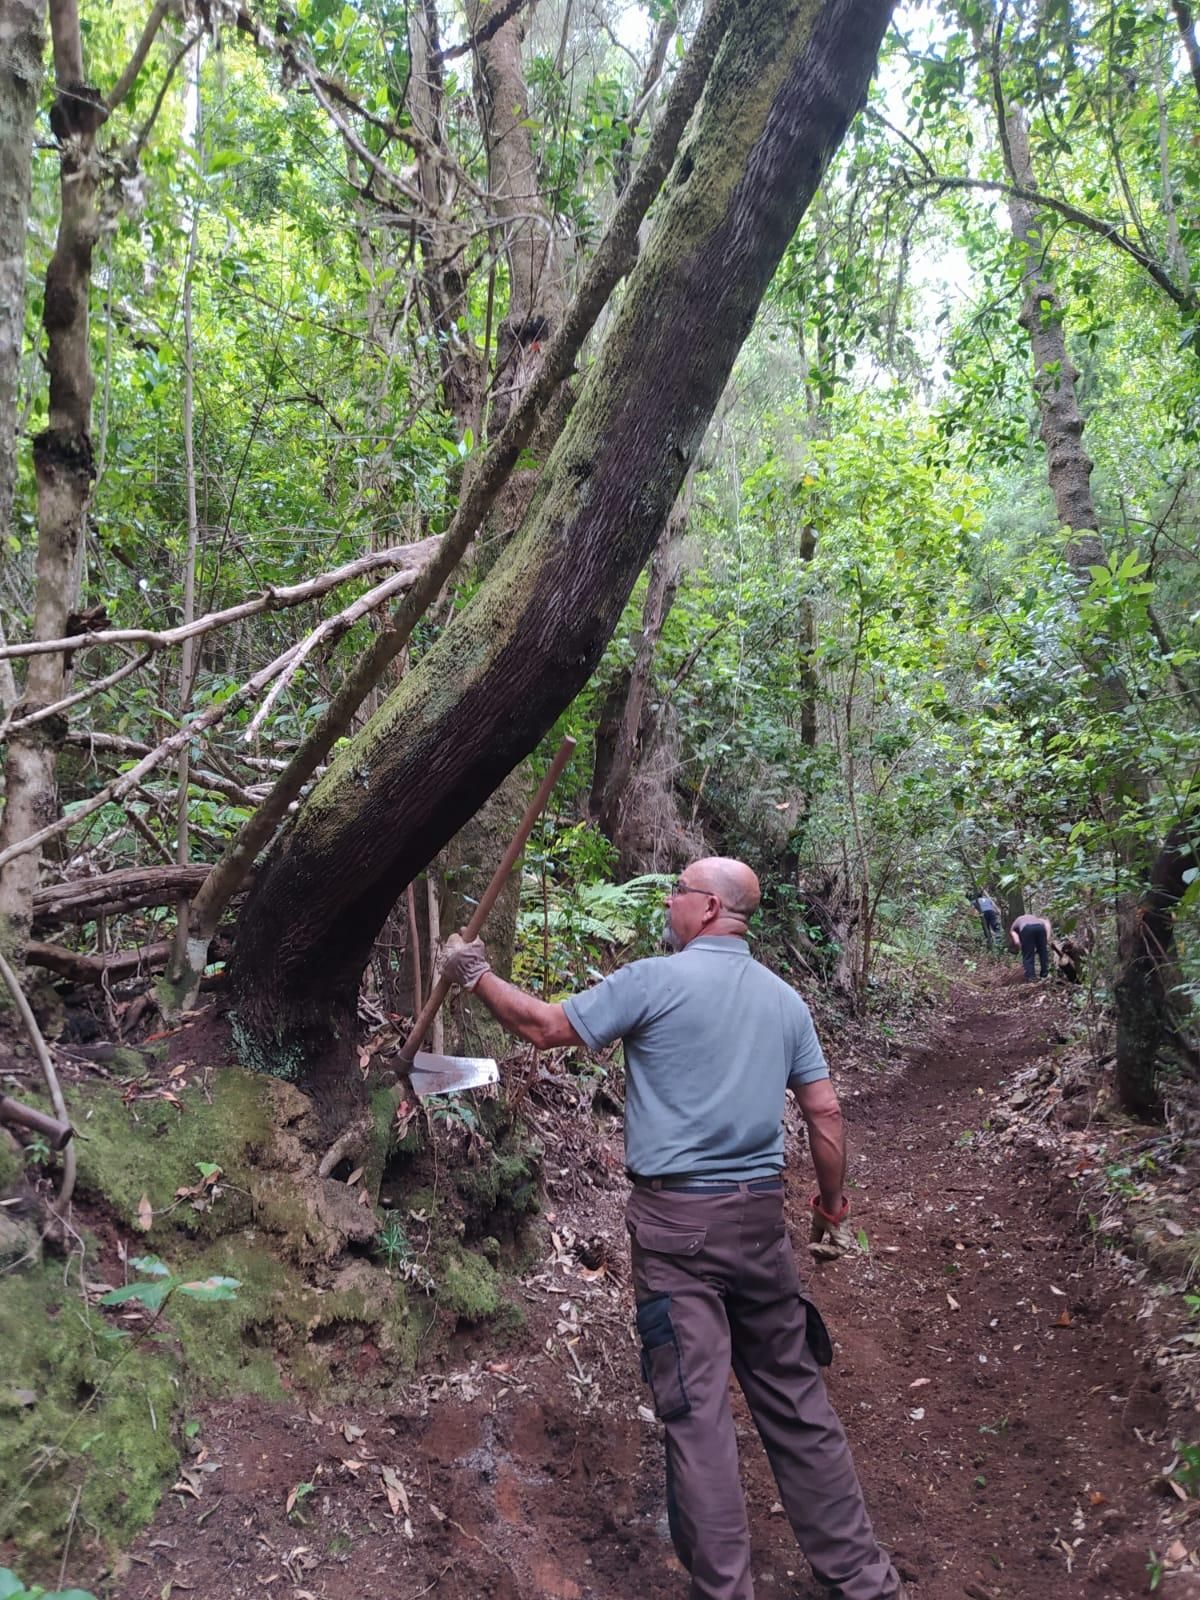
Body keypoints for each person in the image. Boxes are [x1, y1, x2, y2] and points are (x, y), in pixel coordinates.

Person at [440, 856, 905, 1600]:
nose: (668, 901)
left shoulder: (653, 981)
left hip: (676, 1227)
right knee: (796, 1399)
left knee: (696, 1413)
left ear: (711, 908)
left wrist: (474, 975)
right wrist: (829, 1206)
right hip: (760, 1223)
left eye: (679, 891)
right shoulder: (785, 1001)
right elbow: (824, 1112)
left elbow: (543, 1026)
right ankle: (863, 1581)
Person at [1008, 911, 1052, 981]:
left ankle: (1031, 977)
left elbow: (1016, 941)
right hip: (1040, 928)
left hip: (1027, 929)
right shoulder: (1035, 918)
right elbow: (1047, 923)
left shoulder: (1013, 927)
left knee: (1028, 956)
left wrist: (1022, 948)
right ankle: (1045, 974)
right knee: (1043, 952)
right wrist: (1047, 939)